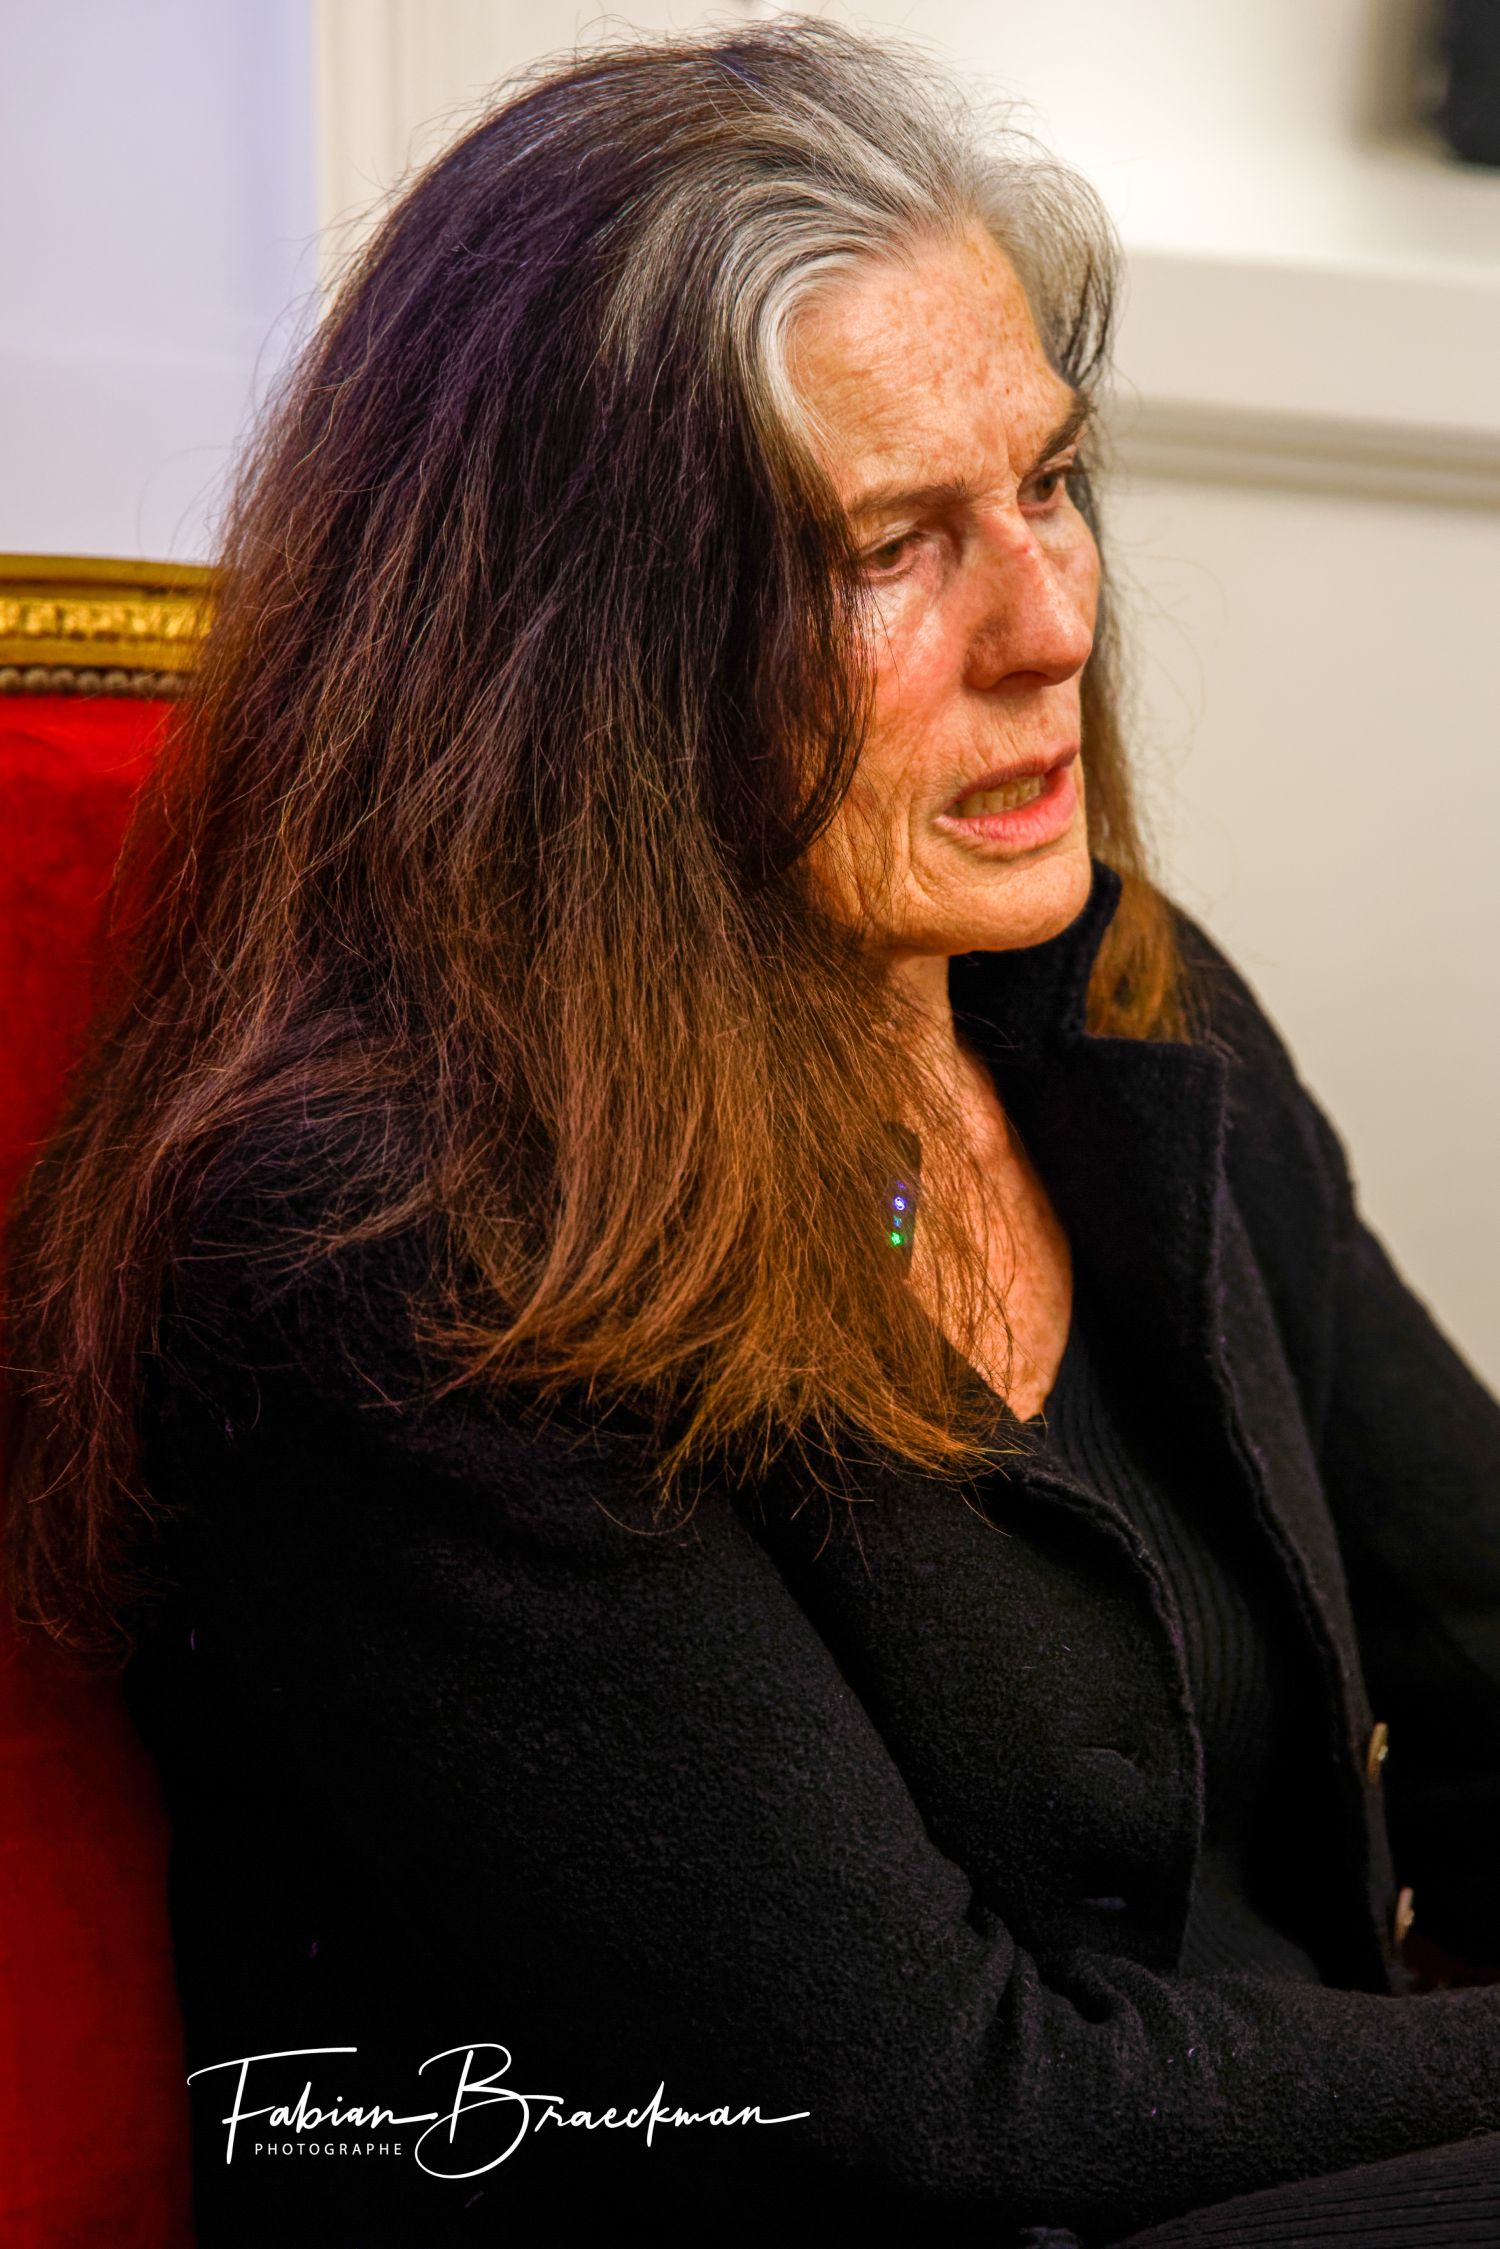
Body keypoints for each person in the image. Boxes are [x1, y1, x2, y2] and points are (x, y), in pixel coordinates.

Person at [4, 20, 1499, 2246]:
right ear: (585, 652)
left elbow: (1481, 1639)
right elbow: (940, 2105)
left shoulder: (1111, 1004)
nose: (1050, 622)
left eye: (1050, 482)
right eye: (890, 545)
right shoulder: (382, 1260)